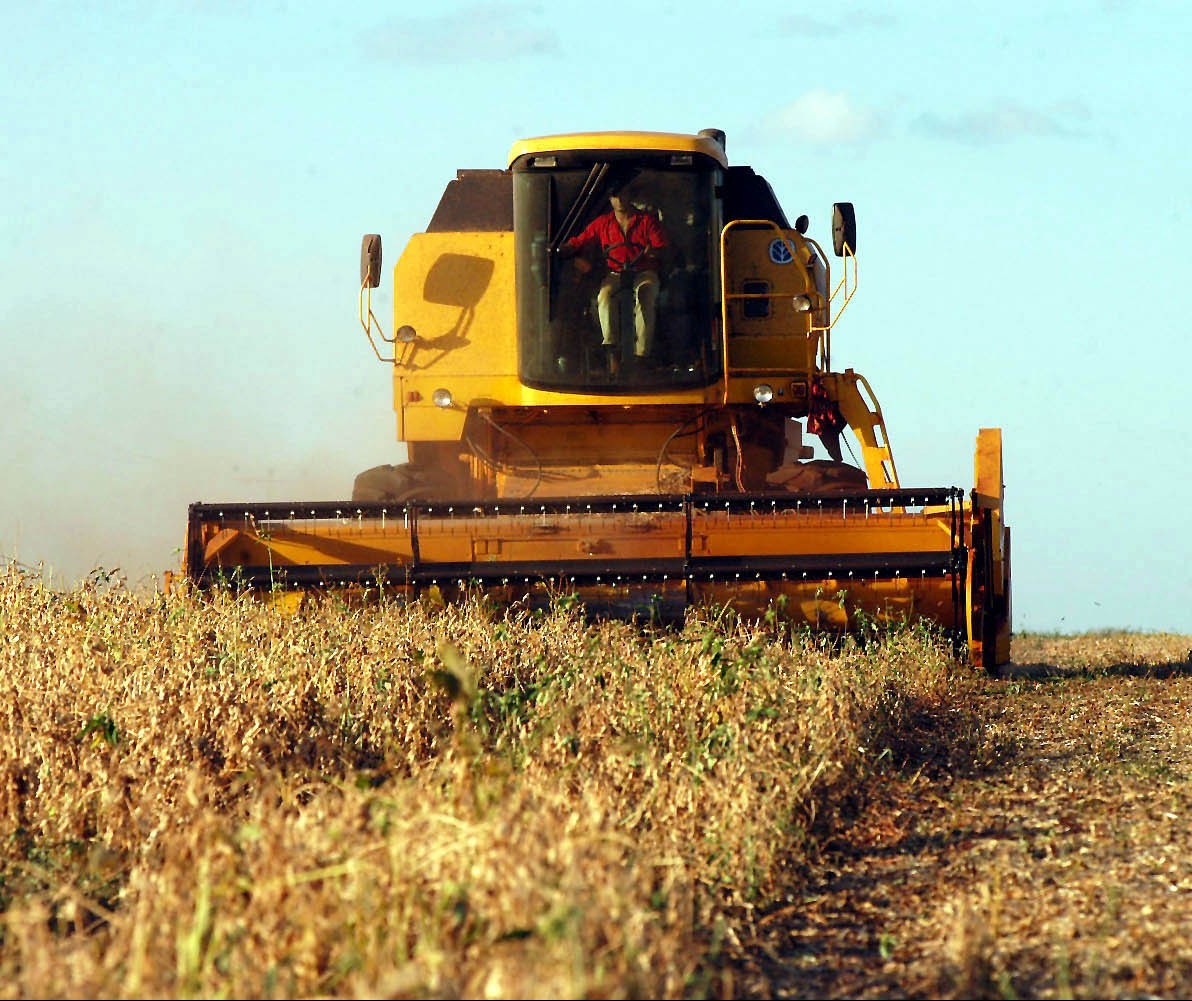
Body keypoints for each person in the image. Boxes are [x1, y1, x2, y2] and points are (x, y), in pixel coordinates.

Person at [558, 184, 668, 371]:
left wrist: (654, 252)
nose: (619, 200)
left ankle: (641, 355)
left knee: (645, 293)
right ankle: (611, 349)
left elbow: (662, 248)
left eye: (623, 195)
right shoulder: (602, 223)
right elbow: (582, 239)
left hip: (643, 272)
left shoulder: (647, 222)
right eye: (615, 196)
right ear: (610, 200)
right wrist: (568, 247)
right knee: (604, 296)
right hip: (616, 273)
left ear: (630, 196)